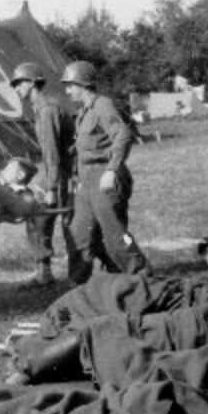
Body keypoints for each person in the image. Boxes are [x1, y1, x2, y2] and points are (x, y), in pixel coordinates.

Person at [61, 60, 149, 285]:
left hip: (104, 177)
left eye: (70, 85)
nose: (67, 90)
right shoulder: (84, 112)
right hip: (87, 181)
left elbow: (123, 135)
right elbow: (84, 149)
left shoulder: (103, 106)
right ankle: (77, 287)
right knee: (79, 235)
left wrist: (111, 170)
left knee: (115, 237)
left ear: (83, 84)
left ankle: (142, 279)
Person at [9, 61, 75, 286]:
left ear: (31, 83)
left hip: (65, 172)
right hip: (55, 169)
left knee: (68, 222)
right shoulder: (42, 107)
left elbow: (53, 153)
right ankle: (43, 271)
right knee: (34, 215)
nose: (16, 89)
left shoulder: (47, 110)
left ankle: (76, 274)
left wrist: (53, 188)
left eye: (19, 84)